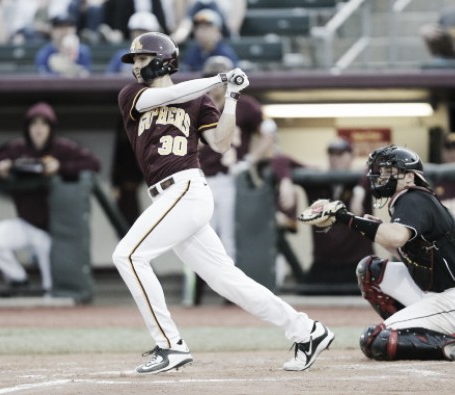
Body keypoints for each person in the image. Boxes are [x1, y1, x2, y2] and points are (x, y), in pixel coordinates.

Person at [114, 31, 333, 373]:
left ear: (162, 60)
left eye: (142, 59)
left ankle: (170, 346)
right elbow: (169, 94)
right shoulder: (132, 95)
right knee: (227, 280)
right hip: (169, 196)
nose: (137, 66)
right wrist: (217, 78)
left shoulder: (199, 101)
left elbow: (220, 143)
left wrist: (230, 96)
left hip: (186, 190)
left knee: (127, 255)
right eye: (136, 60)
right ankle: (307, 330)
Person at [304, 145, 455, 361]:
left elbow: (396, 237)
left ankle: (451, 346)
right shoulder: (412, 199)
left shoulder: (413, 197)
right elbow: (404, 250)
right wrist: (367, 227)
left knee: (375, 340)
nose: (381, 176)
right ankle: (415, 330)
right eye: (381, 171)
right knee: (371, 271)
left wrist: (345, 218)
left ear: (409, 177)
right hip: (436, 292)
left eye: (389, 171)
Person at [181, 55, 276, 306]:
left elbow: (269, 134)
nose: (214, 85)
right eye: (211, 78)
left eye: (219, 78)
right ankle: (194, 294)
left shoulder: (245, 105)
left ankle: (230, 298)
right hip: (199, 178)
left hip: (228, 179)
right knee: (194, 237)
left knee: (228, 239)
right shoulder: (195, 105)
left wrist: (249, 161)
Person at [0, 102, 101, 294]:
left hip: (52, 231)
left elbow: (93, 163)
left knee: (51, 289)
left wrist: (59, 167)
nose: (38, 129)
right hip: (26, 222)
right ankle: (18, 280)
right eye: (34, 124)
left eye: (43, 124)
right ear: (27, 128)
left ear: (50, 128)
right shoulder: (17, 148)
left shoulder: (62, 148)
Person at [296, 139, 374, 288]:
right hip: (323, 265)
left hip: (357, 264)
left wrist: (360, 191)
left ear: (351, 156)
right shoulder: (318, 182)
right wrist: (287, 181)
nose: (335, 158)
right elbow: (280, 161)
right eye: (331, 154)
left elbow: (378, 166)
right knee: (303, 301)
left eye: (340, 154)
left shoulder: (362, 180)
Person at [105, 10, 162, 75]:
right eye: (136, 31)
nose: (140, 35)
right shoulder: (121, 55)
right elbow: (108, 79)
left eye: (144, 31)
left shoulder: (163, 56)